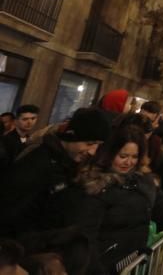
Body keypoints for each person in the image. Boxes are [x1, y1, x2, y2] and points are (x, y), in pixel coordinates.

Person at [0, 107, 111, 273]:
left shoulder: (68, 165)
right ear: (73, 135)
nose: (92, 151)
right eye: (89, 143)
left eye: (98, 145)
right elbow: (11, 217)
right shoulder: (37, 165)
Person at [73, 126, 163, 272]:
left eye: (134, 157)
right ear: (110, 154)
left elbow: (159, 200)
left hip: (133, 260)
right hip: (107, 264)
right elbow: (87, 236)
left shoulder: (142, 178)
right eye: (123, 156)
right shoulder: (96, 186)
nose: (129, 162)